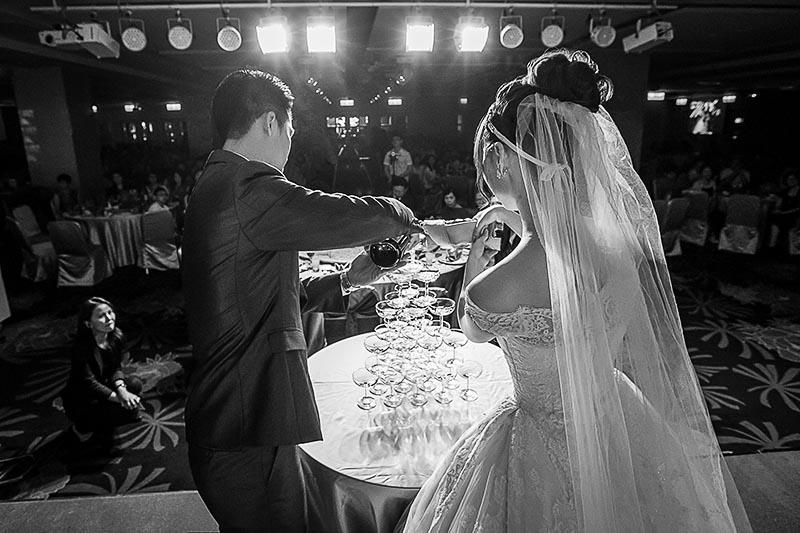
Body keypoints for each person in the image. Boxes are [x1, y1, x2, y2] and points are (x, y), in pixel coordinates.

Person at [402, 50, 750, 532]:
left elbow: (473, 329)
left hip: (537, 439)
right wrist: (511, 218)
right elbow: (561, 256)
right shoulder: (618, 248)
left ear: (503, 160)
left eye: (486, 160)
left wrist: (477, 259)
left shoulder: (495, 287)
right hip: (614, 418)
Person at [182, 69, 422, 533]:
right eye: (290, 130)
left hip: (241, 417)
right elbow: (332, 213)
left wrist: (348, 278)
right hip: (245, 423)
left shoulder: (216, 183)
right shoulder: (246, 185)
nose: (290, 143)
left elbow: (271, 293)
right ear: (271, 122)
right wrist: (402, 215)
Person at [61, 297, 142, 443]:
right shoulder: (80, 348)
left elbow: (115, 367)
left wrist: (122, 390)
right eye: (101, 316)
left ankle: (104, 417)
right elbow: (89, 383)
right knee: (125, 410)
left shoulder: (115, 337)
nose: (109, 318)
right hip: (83, 397)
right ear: (88, 323)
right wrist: (119, 399)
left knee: (134, 385)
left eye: (110, 312)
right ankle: (81, 427)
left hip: (103, 384)